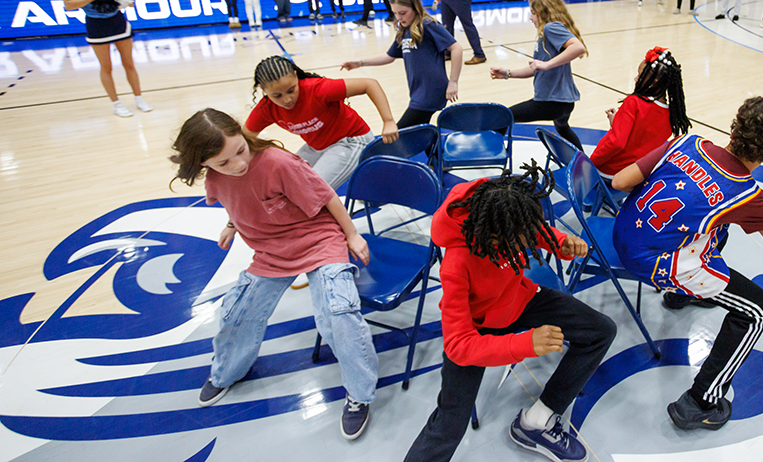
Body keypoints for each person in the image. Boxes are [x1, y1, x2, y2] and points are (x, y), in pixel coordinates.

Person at [170, 109, 378, 440]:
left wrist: (352, 234)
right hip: (270, 252)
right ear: (204, 164)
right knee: (236, 313)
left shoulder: (278, 162)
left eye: (239, 151)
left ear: (241, 133)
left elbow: (326, 198)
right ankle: (227, 372)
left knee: (338, 315)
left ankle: (360, 395)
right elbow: (235, 201)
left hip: (318, 241)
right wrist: (230, 226)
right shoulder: (215, 177)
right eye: (224, 163)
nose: (237, 164)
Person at [611, 96, 763, 431]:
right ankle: (701, 401)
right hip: (654, 260)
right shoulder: (749, 195)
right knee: (757, 309)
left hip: (625, 233)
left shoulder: (687, 142)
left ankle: (683, 294)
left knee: (718, 229)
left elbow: (619, 181)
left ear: (737, 125)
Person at [403, 163, 615, 462]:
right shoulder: (456, 263)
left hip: (520, 299)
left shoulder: (502, 211)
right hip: (477, 328)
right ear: (491, 239)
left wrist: (559, 242)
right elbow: (457, 345)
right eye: (521, 240)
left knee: (601, 331)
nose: (529, 242)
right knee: (450, 423)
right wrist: (525, 344)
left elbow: (531, 227)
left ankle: (537, 422)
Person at [246, 56, 398, 190]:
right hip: (318, 146)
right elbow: (244, 139)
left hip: (351, 140)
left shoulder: (317, 89)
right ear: (263, 90)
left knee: (311, 191)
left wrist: (388, 121)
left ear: (295, 76)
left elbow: (369, 84)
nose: (287, 99)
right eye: (277, 95)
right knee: (284, 180)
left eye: (291, 90)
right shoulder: (266, 109)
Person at [59, 0, 152, 118]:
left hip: (117, 20)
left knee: (129, 63)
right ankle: (116, 104)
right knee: (106, 66)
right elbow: (68, 5)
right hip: (96, 24)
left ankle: (139, 98)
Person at [342, 0, 462, 128]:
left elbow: (456, 48)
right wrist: (360, 63)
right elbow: (389, 56)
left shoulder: (427, 25)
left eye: (403, 13)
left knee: (400, 134)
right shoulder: (404, 30)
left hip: (431, 91)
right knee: (418, 132)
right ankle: (433, 149)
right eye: (395, 13)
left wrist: (453, 82)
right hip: (418, 92)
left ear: (415, 7)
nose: (399, 17)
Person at [489, 0, 587, 149]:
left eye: (533, 13)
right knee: (562, 128)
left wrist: (546, 64)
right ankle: (583, 163)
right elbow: (537, 68)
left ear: (544, 12)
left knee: (503, 117)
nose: (530, 17)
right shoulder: (547, 33)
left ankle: (491, 154)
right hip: (565, 102)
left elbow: (578, 47)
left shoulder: (550, 28)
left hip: (551, 102)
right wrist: (507, 73)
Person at [591, 47, 689, 178]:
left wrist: (591, 163)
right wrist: (617, 122)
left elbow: (616, 142)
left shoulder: (634, 102)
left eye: (640, 75)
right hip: (634, 177)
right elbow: (640, 138)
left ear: (654, 81)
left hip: (609, 172)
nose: (635, 79)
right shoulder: (672, 114)